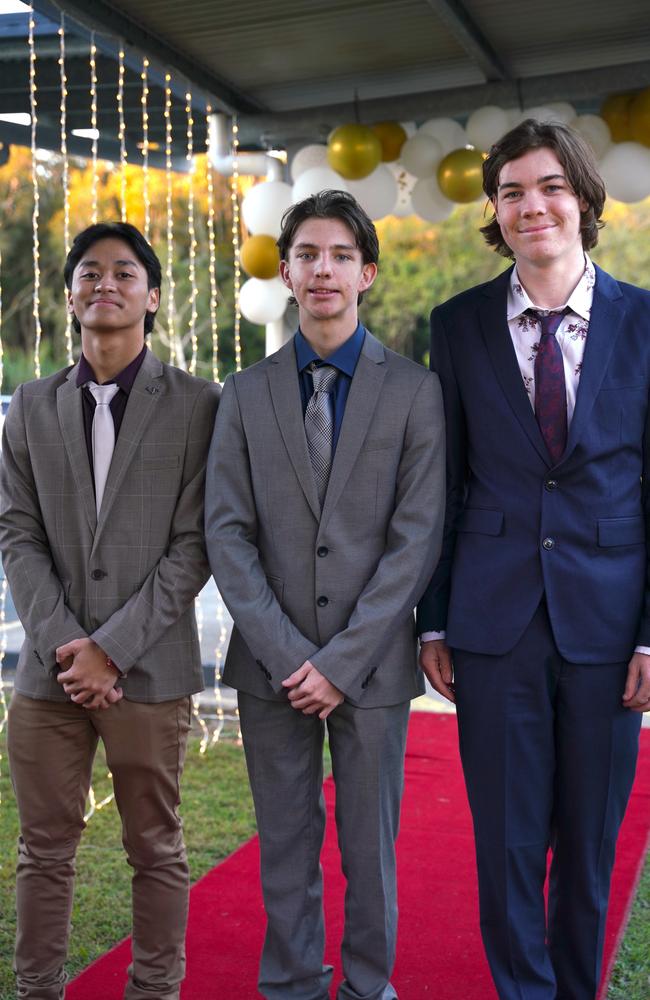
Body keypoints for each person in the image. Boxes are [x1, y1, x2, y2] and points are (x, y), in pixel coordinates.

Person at [417, 119, 650, 1000]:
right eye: (511, 191)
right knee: (508, 844)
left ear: (583, 200)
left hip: (609, 627)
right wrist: (432, 616)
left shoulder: (646, 321)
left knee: (588, 846)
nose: (531, 205)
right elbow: (445, 482)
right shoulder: (458, 324)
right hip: (491, 623)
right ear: (495, 211)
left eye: (549, 186)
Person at [204, 189, 445, 1000]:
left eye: (341, 255)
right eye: (307, 254)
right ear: (285, 270)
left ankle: (368, 986)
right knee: (284, 844)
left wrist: (340, 661)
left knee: (368, 849)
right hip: (270, 667)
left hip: (372, 669)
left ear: (367, 273)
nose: (324, 270)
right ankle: (293, 986)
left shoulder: (415, 391)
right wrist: (287, 653)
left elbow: (416, 542)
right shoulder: (244, 392)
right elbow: (226, 533)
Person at [0, 221, 220, 1000]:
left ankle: (155, 990)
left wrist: (113, 649)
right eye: (90, 273)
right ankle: (36, 990)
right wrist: (69, 646)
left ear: (152, 297)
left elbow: (195, 545)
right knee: (42, 849)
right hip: (48, 679)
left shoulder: (199, 405)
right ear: (70, 297)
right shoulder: (28, 406)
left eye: (125, 273)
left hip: (149, 671)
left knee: (155, 848)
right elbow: (16, 533)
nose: (106, 284)